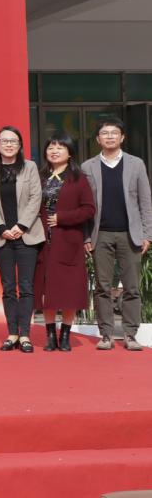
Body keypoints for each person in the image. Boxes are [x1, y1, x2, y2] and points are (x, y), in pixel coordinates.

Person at [82, 117, 152, 351]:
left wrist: (147, 234)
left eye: (114, 133)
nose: (110, 136)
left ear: (122, 137)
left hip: (130, 235)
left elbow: (145, 201)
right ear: (98, 139)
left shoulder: (136, 164)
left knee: (132, 287)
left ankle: (130, 335)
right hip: (100, 234)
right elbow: (84, 205)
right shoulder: (88, 167)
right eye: (105, 133)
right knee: (102, 287)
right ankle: (106, 335)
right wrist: (86, 237)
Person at [0, 126, 43, 353]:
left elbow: (36, 197)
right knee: (8, 287)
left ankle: (25, 334)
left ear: (20, 145)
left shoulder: (30, 167)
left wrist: (21, 226)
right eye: (4, 141)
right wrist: (1, 228)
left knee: (26, 287)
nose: (9, 144)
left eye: (13, 141)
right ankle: (12, 333)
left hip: (27, 235)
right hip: (2, 237)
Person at [35, 132, 95, 352]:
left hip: (69, 241)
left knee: (70, 290)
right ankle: (50, 334)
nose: (54, 151)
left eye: (60, 147)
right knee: (47, 290)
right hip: (43, 242)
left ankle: (66, 335)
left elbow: (89, 209)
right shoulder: (39, 176)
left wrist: (62, 218)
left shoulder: (79, 178)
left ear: (70, 153)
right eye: (51, 147)